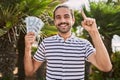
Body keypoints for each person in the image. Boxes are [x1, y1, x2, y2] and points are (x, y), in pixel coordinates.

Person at [24, 4, 112, 80]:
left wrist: (94, 32)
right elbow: (29, 72)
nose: (62, 21)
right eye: (58, 17)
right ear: (55, 22)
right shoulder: (46, 44)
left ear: (73, 20)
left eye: (66, 16)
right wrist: (28, 47)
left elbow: (106, 67)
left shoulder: (84, 44)